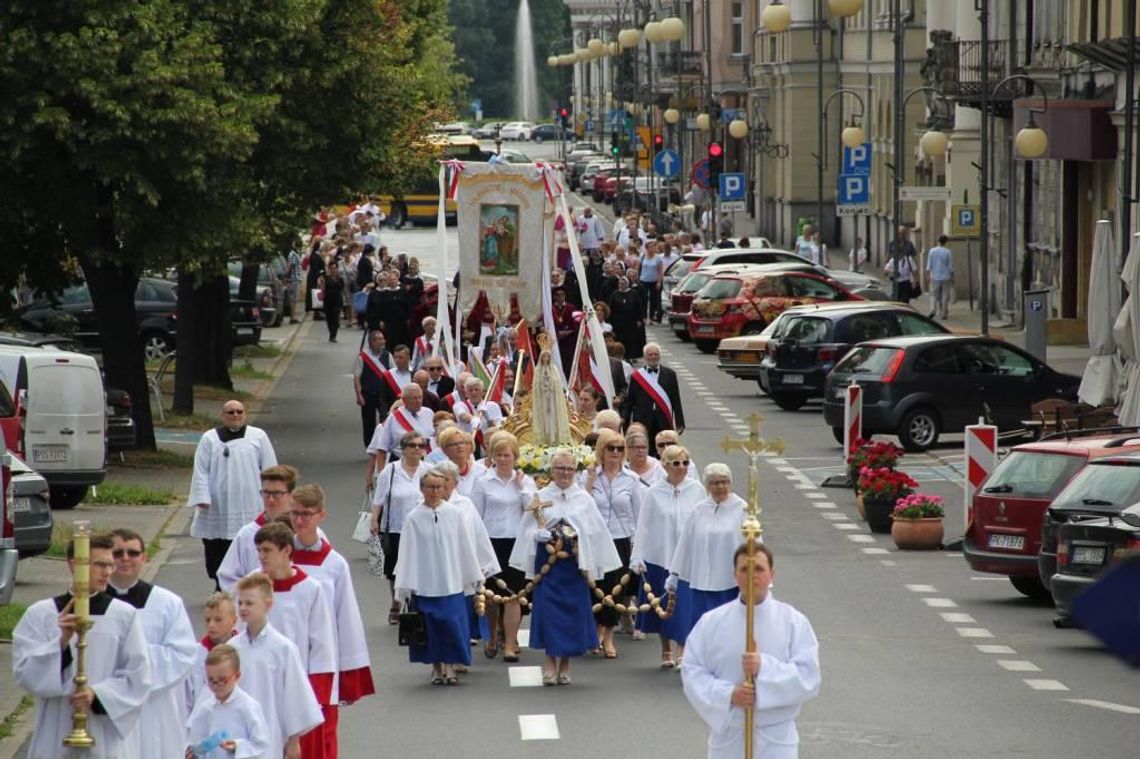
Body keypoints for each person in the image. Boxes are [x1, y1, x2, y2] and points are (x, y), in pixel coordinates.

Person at [13, 533, 152, 759]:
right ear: (74, 564)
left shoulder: (123, 615)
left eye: (110, 565)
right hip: (56, 726)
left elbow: (139, 676)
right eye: (99, 564)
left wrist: (96, 695)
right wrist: (61, 642)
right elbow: (25, 673)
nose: (108, 572)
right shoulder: (41, 614)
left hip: (103, 730)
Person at [681, 544, 821, 759]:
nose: (752, 576)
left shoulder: (793, 621)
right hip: (730, 735)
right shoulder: (712, 623)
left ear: (772, 574)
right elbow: (692, 671)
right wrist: (728, 695)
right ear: (734, 575)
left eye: (759, 569)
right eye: (745, 569)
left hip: (776, 738)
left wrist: (764, 668)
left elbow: (809, 677)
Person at [510, 449, 622, 685]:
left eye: (570, 469)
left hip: (574, 565)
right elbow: (528, 528)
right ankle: (550, 660)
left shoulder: (583, 499)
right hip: (548, 566)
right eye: (560, 468)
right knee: (549, 612)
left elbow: (594, 530)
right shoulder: (540, 496)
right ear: (552, 471)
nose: (565, 473)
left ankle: (566, 663)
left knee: (572, 613)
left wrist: (578, 533)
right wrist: (536, 535)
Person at [288, 485, 376, 753]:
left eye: (306, 514)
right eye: (295, 514)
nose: (300, 521)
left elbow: (346, 618)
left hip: (321, 662)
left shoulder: (334, 564)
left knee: (321, 736)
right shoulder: (278, 558)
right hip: (285, 658)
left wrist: (350, 673)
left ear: (321, 516)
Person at [394, 470, 493, 685]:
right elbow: (408, 552)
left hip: (451, 580)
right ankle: (436, 667)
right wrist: (405, 585)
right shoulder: (413, 518)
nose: (435, 491)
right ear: (422, 489)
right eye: (430, 487)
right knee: (430, 627)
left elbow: (464, 546)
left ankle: (450, 665)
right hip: (425, 582)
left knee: (451, 624)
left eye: (439, 487)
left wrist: (472, 574)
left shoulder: (454, 513)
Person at [107, 528, 197, 758]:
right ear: (107, 558)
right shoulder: (91, 605)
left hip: (155, 707)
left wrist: (133, 664)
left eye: (133, 553)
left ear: (144, 558)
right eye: (118, 553)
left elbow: (183, 654)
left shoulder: (168, 603)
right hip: (108, 706)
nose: (126, 558)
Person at [253, 521, 337, 759]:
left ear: (286, 550)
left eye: (267, 550)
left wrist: (315, 698)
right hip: (260, 685)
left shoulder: (310, 589)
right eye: (258, 550)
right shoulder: (251, 585)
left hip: (298, 688)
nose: (261, 556)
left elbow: (322, 646)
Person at [230, 574, 323, 759]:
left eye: (249, 603)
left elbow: (295, 694)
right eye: (240, 603)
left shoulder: (283, 649)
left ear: (268, 604)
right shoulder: (232, 648)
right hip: (236, 731)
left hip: (270, 729)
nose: (243, 608)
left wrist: (294, 739)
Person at [189, 400, 278, 589]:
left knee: (248, 540)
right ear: (223, 415)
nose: (235, 415)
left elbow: (270, 468)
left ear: (245, 414)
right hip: (217, 504)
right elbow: (201, 470)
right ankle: (219, 582)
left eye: (239, 412)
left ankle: (249, 580)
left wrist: (272, 496)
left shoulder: (258, 436)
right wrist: (202, 496)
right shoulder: (209, 438)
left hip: (249, 501)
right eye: (230, 412)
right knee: (216, 543)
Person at [631, 444, 703, 668]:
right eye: (676, 463)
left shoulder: (697, 489)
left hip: (688, 559)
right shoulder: (653, 492)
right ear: (665, 465)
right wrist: (638, 555)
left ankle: (683, 650)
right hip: (661, 556)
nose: (681, 468)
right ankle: (665, 650)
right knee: (663, 607)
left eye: (685, 463)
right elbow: (644, 525)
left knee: (684, 606)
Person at [470, 432, 535, 661]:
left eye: (507, 455)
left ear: (515, 456)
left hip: (516, 542)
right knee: (491, 597)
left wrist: (521, 487)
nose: (503, 459)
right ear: (493, 456)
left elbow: (532, 510)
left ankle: (509, 642)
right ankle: (491, 636)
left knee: (513, 595)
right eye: (499, 455)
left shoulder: (525, 481)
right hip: (491, 542)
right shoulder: (483, 482)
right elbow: (475, 515)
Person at [667, 463, 749, 640]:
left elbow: (753, 543)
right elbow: (685, 543)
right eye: (715, 482)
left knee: (729, 630)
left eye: (724, 482)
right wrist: (675, 573)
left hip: (729, 582)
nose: (720, 486)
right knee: (702, 629)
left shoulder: (742, 508)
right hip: (702, 582)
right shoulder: (699, 509)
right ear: (707, 486)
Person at [583, 429, 641, 659]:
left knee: (615, 589)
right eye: (610, 448)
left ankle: (608, 635)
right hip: (596, 539)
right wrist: (588, 481)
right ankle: (596, 629)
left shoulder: (632, 479)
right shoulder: (589, 476)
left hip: (620, 539)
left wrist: (638, 546)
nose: (615, 453)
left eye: (619, 448)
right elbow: (581, 506)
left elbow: (638, 515)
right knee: (595, 587)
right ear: (601, 451)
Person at [371, 431, 430, 623]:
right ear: (403, 450)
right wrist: (374, 520)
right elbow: (379, 498)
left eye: (420, 446)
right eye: (412, 446)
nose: (417, 449)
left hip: (422, 529)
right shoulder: (391, 470)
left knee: (420, 566)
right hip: (396, 526)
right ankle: (396, 602)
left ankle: (416, 603)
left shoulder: (429, 470)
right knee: (395, 568)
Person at [216, 464, 303, 592]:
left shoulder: (303, 533)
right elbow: (228, 578)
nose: (270, 499)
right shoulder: (247, 535)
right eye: (266, 493)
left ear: (292, 495)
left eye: (277, 493)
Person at [186, 645, 272, 759]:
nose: (216, 685)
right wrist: (193, 753)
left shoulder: (249, 706)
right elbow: (194, 740)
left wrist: (238, 746)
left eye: (222, 680)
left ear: (237, 676)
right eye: (211, 680)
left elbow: (261, 744)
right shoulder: (205, 709)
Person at [621, 342, 685, 450]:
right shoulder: (636, 377)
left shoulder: (670, 374)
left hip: (664, 419)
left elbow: (676, 399)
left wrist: (680, 422)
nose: (653, 357)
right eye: (650, 354)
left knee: (665, 450)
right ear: (645, 357)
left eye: (656, 354)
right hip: (643, 420)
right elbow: (630, 402)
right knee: (645, 449)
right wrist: (625, 423)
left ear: (660, 356)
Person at [186, 591, 238, 717]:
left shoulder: (243, 650)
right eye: (208, 620)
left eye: (218, 619)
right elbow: (188, 696)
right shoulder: (196, 654)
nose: (211, 625)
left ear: (234, 620)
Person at [367, 382, 435, 471]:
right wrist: (381, 474)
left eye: (420, 397)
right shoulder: (393, 418)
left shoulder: (429, 413)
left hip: (426, 464)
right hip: (401, 466)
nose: (418, 401)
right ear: (404, 400)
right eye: (414, 398)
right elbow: (382, 449)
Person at [353, 330, 393, 449]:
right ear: (371, 342)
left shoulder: (388, 355)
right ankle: (370, 446)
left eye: (382, 339)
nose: (381, 342)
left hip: (384, 395)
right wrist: (359, 395)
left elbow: (392, 374)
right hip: (368, 394)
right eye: (378, 339)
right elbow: (357, 377)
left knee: (385, 420)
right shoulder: (363, 357)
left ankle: (384, 446)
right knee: (368, 422)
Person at [608, 276, 646, 361]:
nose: (621, 285)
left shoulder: (634, 293)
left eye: (624, 283)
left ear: (628, 284)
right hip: (617, 322)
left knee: (630, 340)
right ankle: (619, 356)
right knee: (619, 339)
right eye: (620, 283)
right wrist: (609, 320)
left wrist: (639, 319)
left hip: (630, 321)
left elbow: (639, 307)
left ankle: (629, 357)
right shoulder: (614, 294)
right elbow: (610, 308)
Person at [884, 224, 919, 302]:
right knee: (896, 299)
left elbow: (914, 258)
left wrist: (914, 280)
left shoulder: (909, 244)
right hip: (896, 279)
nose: (901, 235)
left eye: (903, 233)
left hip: (906, 277)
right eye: (900, 233)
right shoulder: (892, 243)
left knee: (905, 299)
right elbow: (888, 256)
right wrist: (888, 268)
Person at [926, 234, 954, 320]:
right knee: (945, 296)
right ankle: (944, 313)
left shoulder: (932, 251)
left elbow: (929, 265)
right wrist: (953, 277)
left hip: (935, 276)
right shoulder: (948, 252)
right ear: (945, 242)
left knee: (934, 295)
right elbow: (950, 266)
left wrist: (928, 276)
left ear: (937, 241)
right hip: (946, 277)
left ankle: (933, 310)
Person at [637, 242, 666, 323]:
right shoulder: (642, 257)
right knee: (644, 299)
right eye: (650, 247)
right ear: (646, 248)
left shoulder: (658, 258)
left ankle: (652, 317)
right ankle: (644, 317)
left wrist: (659, 281)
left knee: (654, 299)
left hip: (654, 281)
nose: (652, 249)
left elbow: (660, 271)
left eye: (653, 247)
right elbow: (638, 268)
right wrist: (637, 279)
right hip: (644, 280)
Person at [318, 260, 346, 342]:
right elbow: (322, 289)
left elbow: (343, 290)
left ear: (337, 269)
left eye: (335, 268)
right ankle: (331, 332)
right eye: (331, 268)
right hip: (328, 301)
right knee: (329, 319)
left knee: (335, 318)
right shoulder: (326, 278)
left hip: (337, 301)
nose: (333, 270)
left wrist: (345, 298)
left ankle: (333, 335)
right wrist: (321, 283)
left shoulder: (340, 279)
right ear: (329, 269)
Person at [284, 243, 304, 324]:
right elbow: (290, 266)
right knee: (293, 299)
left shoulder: (295, 254)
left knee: (295, 299)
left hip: (296, 278)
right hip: (294, 279)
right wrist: (286, 275)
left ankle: (293, 316)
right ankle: (293, 317)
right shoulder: (293, 254)